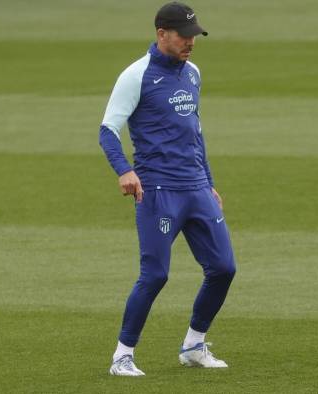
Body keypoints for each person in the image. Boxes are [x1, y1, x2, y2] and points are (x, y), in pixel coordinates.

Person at [99, 2, 236, 376]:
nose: (191, 42)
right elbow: (107, 130)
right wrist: (125, 170)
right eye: (184, 36)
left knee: (224, 267)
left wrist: (208, 183)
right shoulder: (136, 75)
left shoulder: (193, 73)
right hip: (158, 191)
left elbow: (196, 132)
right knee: (156, 274)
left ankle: (194, 344)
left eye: (194, 36)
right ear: (162, 34)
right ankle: (122, 356)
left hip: (195, 188)